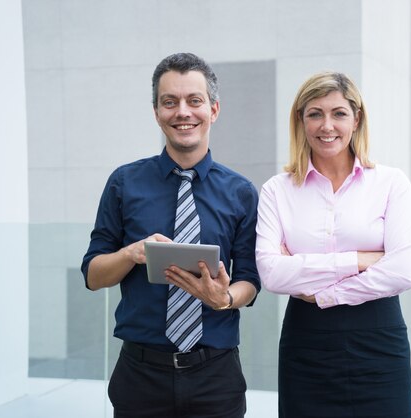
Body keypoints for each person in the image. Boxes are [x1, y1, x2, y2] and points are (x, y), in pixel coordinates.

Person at [81, 52, 260, 418]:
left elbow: (251, 281)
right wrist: (130, 254)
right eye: (169, 102)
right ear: (156, 112)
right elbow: (93, 275)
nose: (182, 112)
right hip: (140, 375)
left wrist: (224, 298)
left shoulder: (241, 192)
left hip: (216, 374)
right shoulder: (123, 183)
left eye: (194, 101)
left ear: (213, 110)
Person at [255, 71, 411, 418]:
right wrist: (360, 260)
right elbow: (272, 275)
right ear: (300, 121)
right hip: (306, 345)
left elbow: (404, 271)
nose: (326, 125)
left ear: (356, 119)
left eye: (338, 113)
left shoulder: (391, 183)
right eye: (314, 113)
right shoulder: (277, 190)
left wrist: (320, 292)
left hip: (379, 342)